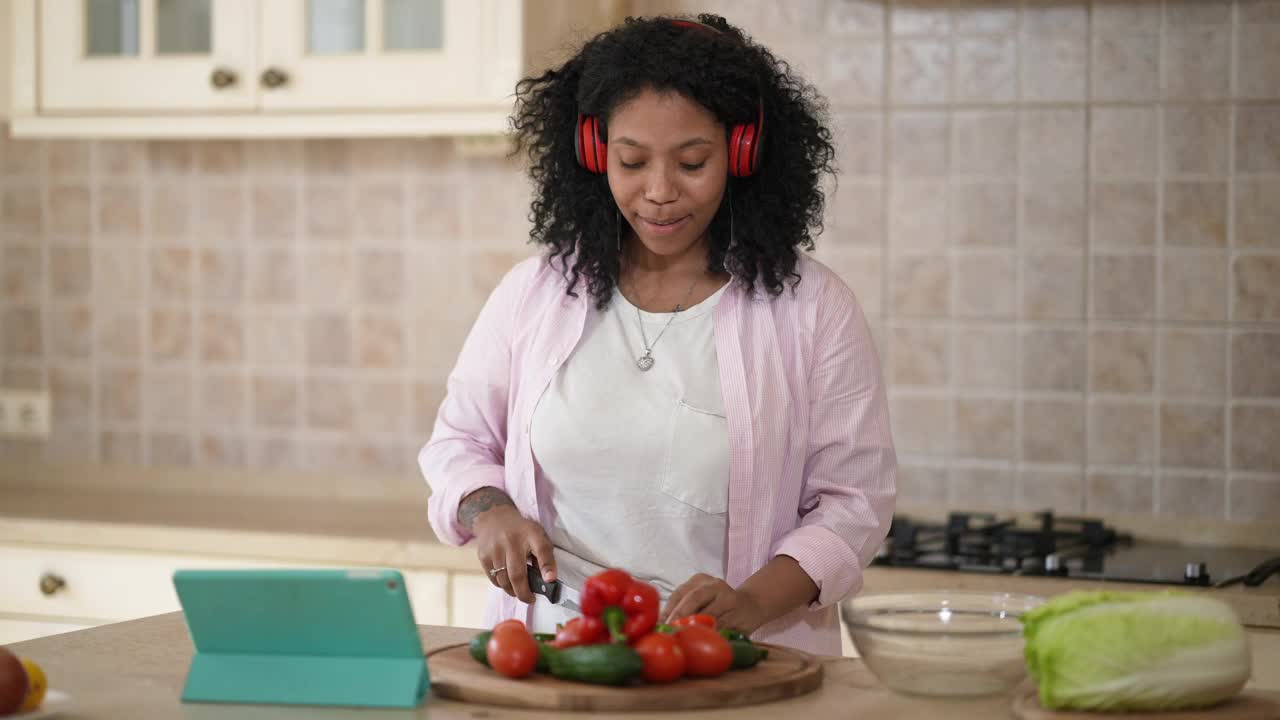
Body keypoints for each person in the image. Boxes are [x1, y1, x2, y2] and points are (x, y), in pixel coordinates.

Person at [419, 13, 896, 655]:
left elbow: (853, 504)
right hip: (555, 664)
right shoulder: (534, 294)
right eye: (632, 161)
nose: (660, 192)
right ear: (595, 154)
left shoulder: (815, 310)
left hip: (734, 665)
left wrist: (752, 602)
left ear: (742, 153)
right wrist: (489, 511)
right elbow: (459, 442)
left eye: (693, 162)